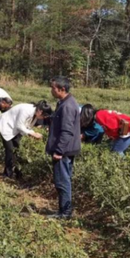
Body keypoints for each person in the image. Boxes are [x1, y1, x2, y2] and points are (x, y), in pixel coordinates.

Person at [47, 77, 81, 219]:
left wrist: (59, 151)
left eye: (53, 88)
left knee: (62, 181)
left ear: (62, 89)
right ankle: (64, 210)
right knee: (63, 179)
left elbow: (67, 131)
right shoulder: (65, 102)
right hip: (67, 148)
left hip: (64, 151)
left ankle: (65, 213)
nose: (51, 90)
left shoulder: (67, 106)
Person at [0, 101, 51, 178]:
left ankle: (17, 171)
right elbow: (19, 125)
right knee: (10, 150)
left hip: (15, 129)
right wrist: (33, 134)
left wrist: (32, 133)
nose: (43, 118)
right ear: (40, 111)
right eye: (44, 116)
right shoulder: (26, 110)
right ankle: (7, 174)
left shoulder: (35, 113)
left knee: (17, 149)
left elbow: (27, 126)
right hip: (7, 126)